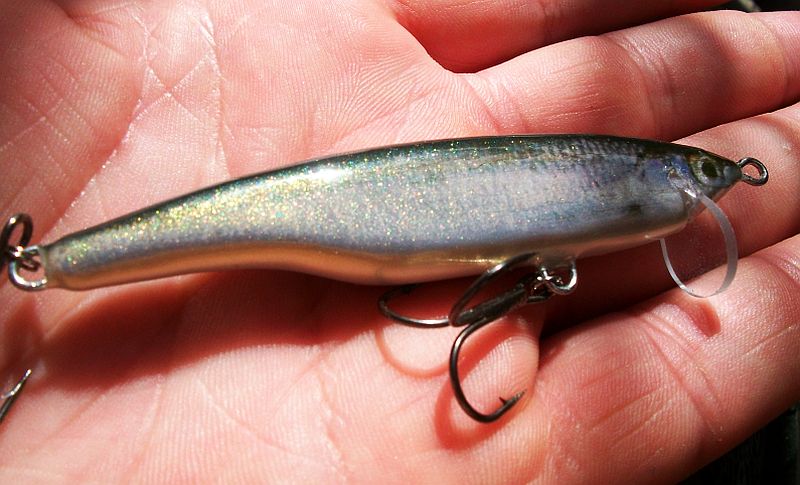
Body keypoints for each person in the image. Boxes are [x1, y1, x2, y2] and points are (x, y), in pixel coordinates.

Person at [0, 1, 798, 482]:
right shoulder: (648, 184)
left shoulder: (649, 197)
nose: (713, 183)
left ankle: (51, 268)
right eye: (704, 171)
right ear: (665, 172)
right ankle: (56, 266)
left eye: (710, 171)